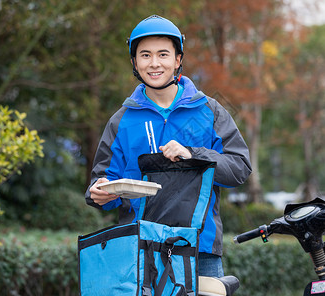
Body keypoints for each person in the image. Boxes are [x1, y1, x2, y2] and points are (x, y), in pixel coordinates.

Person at [85, 15, 251, 277]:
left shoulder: (210, 111)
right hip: (140, 251)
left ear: (177, 60)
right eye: (145, 55)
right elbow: (102, 183)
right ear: (134, 62)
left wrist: (192, 154)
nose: (154, 63)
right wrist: (99, 194)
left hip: (201, 250)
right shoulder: (121, 121)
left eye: (163, 54)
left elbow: (240, 168)